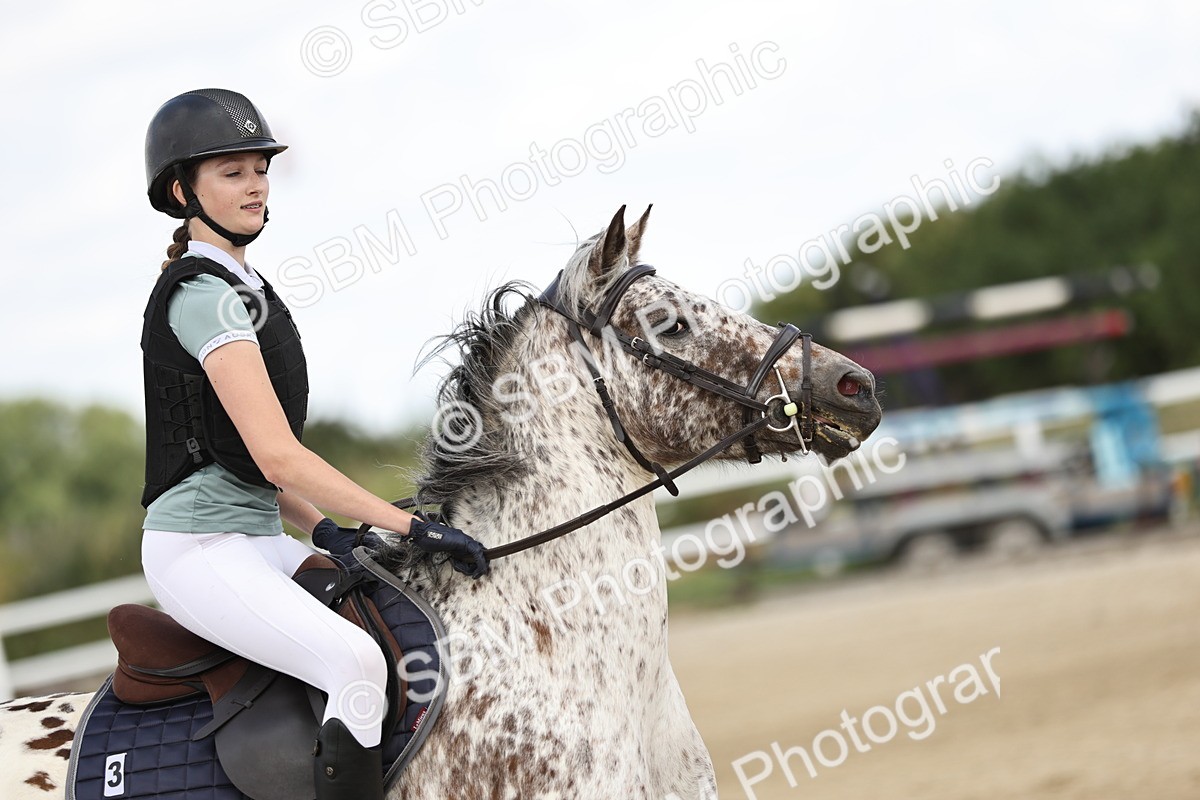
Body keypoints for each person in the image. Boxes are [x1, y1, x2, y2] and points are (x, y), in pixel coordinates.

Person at [139, 88, 489, 800]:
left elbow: (245, 460)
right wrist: (411, 526)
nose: (256, 183)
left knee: (392, 621)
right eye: (231, 172)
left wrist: (323, 526)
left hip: (260, 535)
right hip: (199, 550)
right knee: (356, 664)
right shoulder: (203, 295)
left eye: (259, 167)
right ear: (183, 191)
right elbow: (277, 456)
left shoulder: (245, 284)